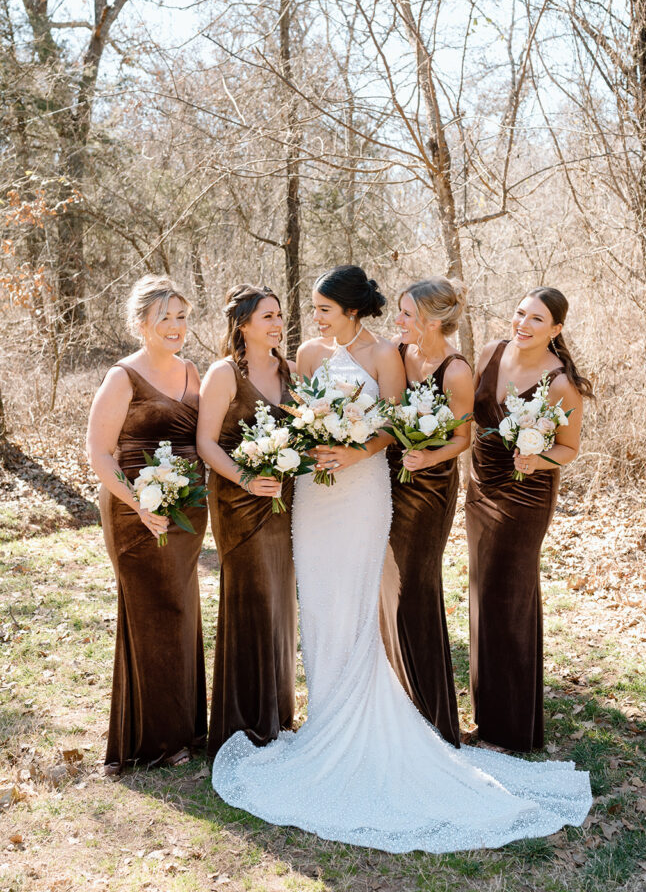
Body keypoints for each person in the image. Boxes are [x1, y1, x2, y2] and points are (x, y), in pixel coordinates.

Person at [212, 267, 591, 852]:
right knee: (315, 594)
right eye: (311, 308)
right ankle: (324, 715)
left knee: (362, 595)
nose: (313, 317)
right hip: (315, 492)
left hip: (364, 489)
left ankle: (366, 711)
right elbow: (295, 415)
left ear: (351, 310)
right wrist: (306, 445)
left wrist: (354, 448)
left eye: (323, 307)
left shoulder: (388, 354)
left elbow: (390, 426)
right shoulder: (307, 354)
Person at [86, 275, 207, 772]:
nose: (176, 327)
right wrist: (138, 502)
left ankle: (187, 728)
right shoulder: (122, 377)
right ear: (142, 324)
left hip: (187, 511)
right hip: (136, 511)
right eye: (166, 318)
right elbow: (98, 452)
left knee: (181, 611)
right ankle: (154, 741)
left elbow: (202, 441)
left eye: (181, 316)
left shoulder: (193, 372)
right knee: (150, 616)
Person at [466, 286, 594, 752]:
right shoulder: (489, 352)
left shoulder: (560, 384)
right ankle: (487, 715)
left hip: (525, 495)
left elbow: (569, 448)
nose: (522, 324)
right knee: (483, 595)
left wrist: (536, 461)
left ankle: (511, 728)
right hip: (479, 490)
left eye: (536, 319)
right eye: (520, 313)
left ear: (556, 330)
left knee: (510, 599)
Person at [197, 285, 297, 755]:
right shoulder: (224, 373)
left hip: (283, 499)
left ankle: (276, 712)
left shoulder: (290, 371)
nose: (277, 324)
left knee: (279, 600)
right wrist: (244, 478)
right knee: (252, 596)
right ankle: (245, 720)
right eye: (267, 317)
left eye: (279, 315)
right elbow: (206, 443)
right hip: (240, 500)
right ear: (242, 324)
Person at [380, 277, 474, 746]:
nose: (398, 322)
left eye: (406, 314)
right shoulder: (397, 354)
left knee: (417, 585)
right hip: (387, 482)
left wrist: (428, 457)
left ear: (434, 321)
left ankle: (431, 713)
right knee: (387, 586)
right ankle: (393, 699)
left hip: (430, 485)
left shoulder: (456, 371)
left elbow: (462, 438)